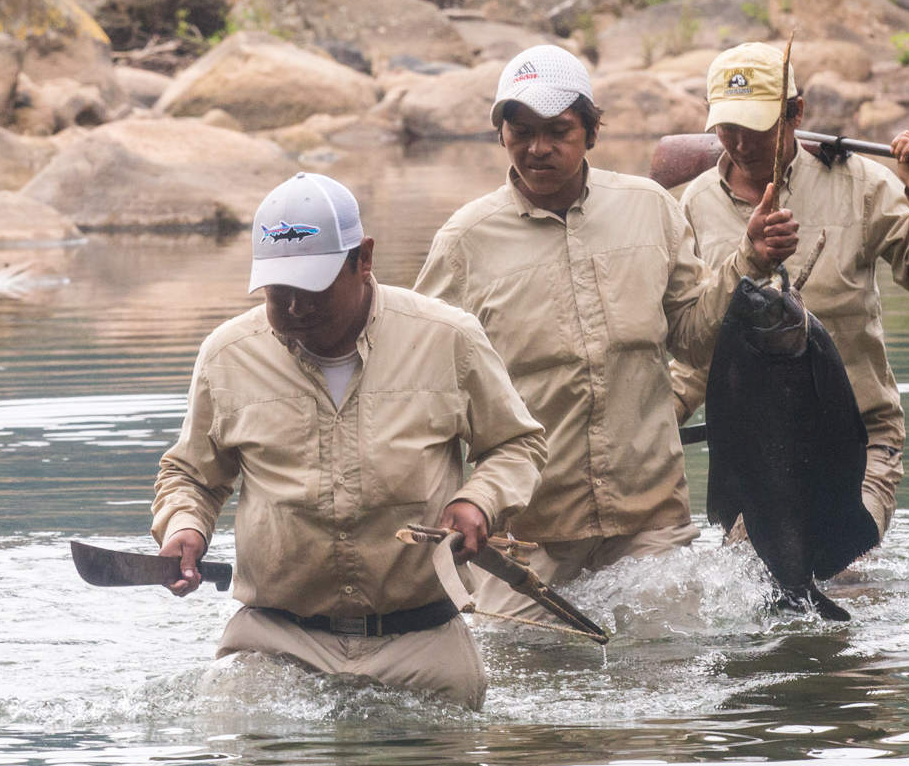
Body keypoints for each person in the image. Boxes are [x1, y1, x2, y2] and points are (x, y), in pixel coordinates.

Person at [413, 46, 787, 621]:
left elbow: (691, 336)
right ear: (501, 136)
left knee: (669, 690)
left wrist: (749, 263)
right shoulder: (464, 241)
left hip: (650, 522)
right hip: (525, 538)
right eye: (521, 131)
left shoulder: (651, 209)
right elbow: (419, 387)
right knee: (527, 705)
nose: (538, 148)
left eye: (559, 130)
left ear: (590, 130)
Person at [153, 172, 545, 709]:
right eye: (277, 290)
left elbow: (516, 445)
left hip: (422, 638)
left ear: (363, 259)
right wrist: (185, 525)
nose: (293, 308)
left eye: (311, 287)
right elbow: (193, 475)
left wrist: (479, 499)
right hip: (274, 637)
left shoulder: (447, 338)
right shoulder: (228, 355)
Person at [675, 42, 909, 536]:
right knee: (756, 581)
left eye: (757, 128)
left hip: (860, 435)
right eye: (728, 129)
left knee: (840, 565)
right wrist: (649, 422)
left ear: (795, 115)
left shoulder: (863, 185)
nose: (742, 145)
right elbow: (695, 344)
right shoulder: (694, 203)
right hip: (756, 446)